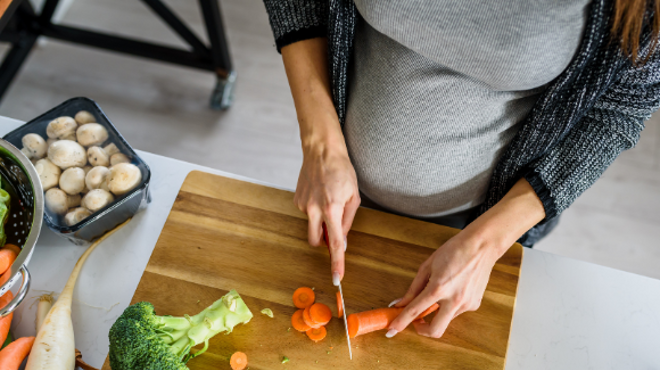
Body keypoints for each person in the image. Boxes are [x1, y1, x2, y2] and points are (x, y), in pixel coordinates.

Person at [261, 0, 660, 339]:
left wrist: (486, 244)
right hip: (340, 185)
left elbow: (622, 108)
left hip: (479, 223)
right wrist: (319, 140)